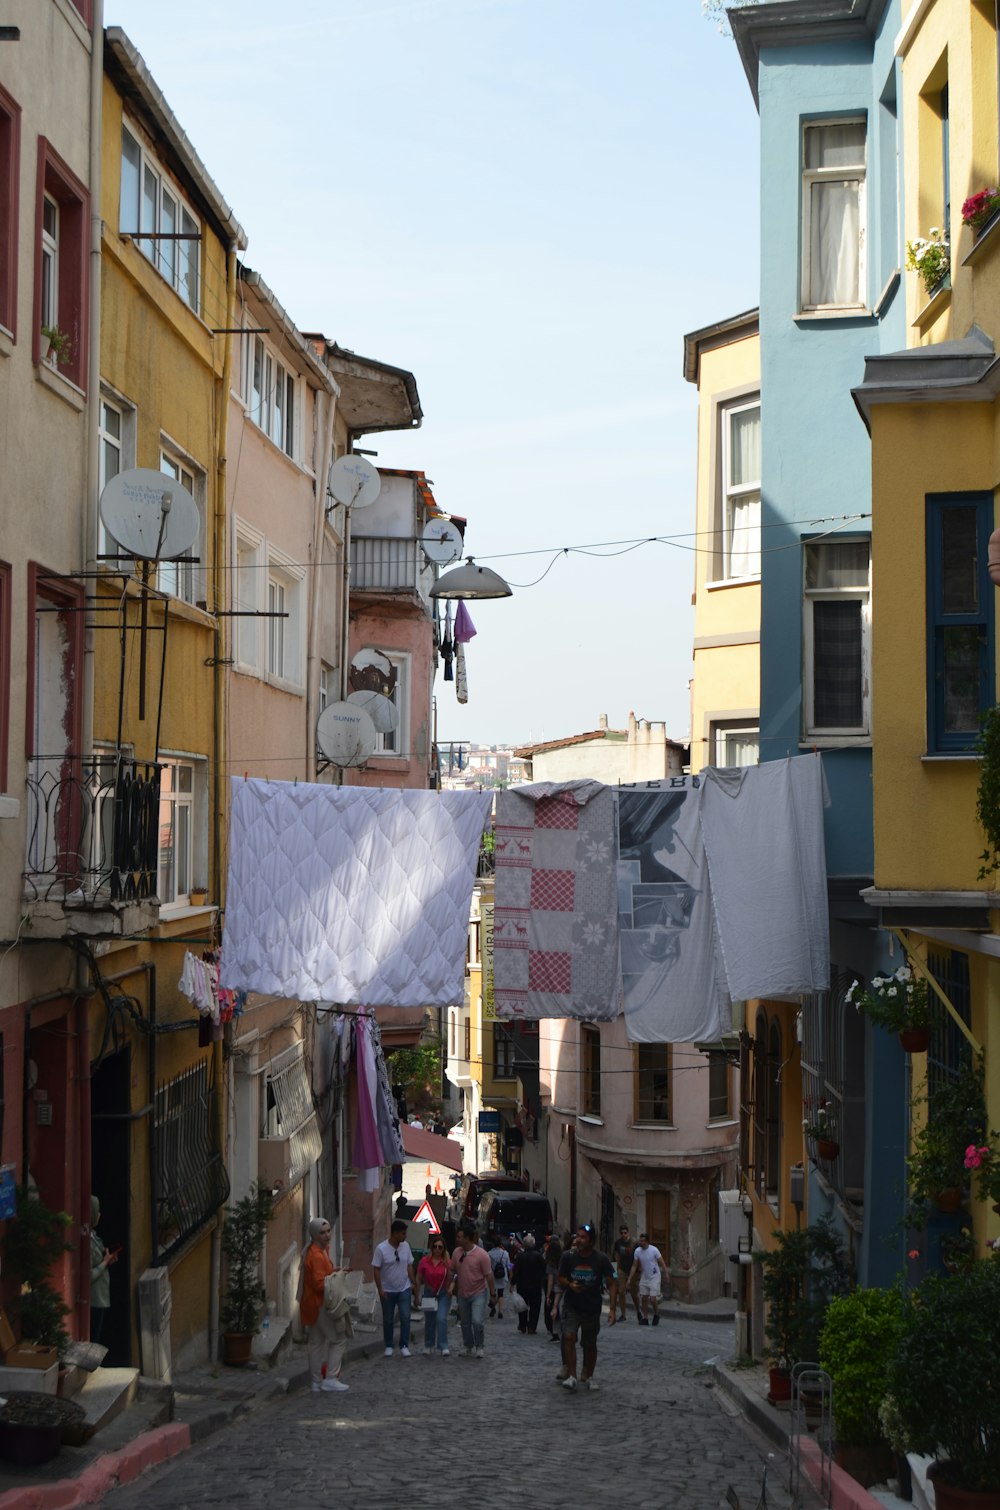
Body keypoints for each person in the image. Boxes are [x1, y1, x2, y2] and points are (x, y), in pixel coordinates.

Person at [557, 1221, 617, 1391]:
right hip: (572, 1304)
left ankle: (589, 1374)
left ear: (591, 1241)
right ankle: (572, 1376)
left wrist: (612, 1309)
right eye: (578, 1236)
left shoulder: (601, 1259)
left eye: (583, 1237)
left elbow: (613, 1283)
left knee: (589, 1343)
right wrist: (570, 1284)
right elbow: (560, 1277)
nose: (579, 1240)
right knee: (568, 1336)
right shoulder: (568, 1256)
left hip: (591, 1306)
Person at [299, 1216, 349, 1392]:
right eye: (322, 1232)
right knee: (338, 1339)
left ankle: (316, 1382)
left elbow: (320, 1277)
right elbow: (320, 1284)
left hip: (311, 1304)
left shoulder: (316, 1250)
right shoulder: (316, 1255)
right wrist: (337, 1276)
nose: (327, 1235)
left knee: (316, 1342)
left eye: (328, 1231)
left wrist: (334, 1271)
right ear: (314, 1234)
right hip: (320, 1304)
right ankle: (331, 1378)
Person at [449, 1223, 497, 1358]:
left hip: (478, 1293)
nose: (457, 1239)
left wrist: (493, 1294)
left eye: (460, 1237)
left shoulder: (482, 1255)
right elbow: (452, 1271)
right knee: (464, 1322)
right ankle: (467, 1345)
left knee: (477, 1321)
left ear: (468, 1239)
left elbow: (489, 1275)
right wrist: (449, 1285)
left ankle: (480, 1346)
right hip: (462, 1293)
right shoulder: (456, 1253)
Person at [372, 1218, 416, 1357]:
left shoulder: (406, 1246)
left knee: (405, 1316)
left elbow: (409, 1265)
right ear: (395, 1233)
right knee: (388, 1319)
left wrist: (413, 1282)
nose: (405, 1236)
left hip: (404, 1288)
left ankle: (404, 1344)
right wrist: (380, 1288)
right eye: (403, 1233)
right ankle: (389, 1344)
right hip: (388, 1290)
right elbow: (376, 1269)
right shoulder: (381, 1249)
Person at [415, 1235, 451, 1356]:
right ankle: (428, 1344)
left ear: (443, 1249)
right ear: (431, 1248)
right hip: (429, 1293)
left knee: (441, 1319)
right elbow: (419, 1278)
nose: (437, 1249)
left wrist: (450, 1288)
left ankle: (443, 1345)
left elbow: (452, 1277)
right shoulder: (424, 1261)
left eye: (440, 1247)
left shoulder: (447, 1263)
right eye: (435, 1247)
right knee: (429, 1320)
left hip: (443, 1293)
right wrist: (417, 1294)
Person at [89, 1195, 117, 1344]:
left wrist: (107, 1259)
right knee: (94, 1340)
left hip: (101, 1297)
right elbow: (88, 1275)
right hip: (95, 1299)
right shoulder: (86, 1240)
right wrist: (104, 1262)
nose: (100, 1214)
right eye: (97, 1211)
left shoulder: (93, 1235)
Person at [628, 1232, 669, 1325]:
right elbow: (634, 1265)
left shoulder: (654, 1250)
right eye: (640, 1240)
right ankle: (645, 1318)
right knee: (644, 1298)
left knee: (653, 1299)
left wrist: (666, 1274)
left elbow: (662, 1263)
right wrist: (629, 1278)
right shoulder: (637, 1251)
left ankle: (656, 1314)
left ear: (647, 1242)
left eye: (642, 1241)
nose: (640, 1242)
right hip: (645, 1276)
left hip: (654, 1276)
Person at [510, 1233, 546, 1335]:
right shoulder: (538, 1256)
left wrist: (512, 1283)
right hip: (535, 1285)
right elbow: (544, 1269)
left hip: (522, 1285)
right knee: (535, 1307)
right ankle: (532, 1327)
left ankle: (522, 1325)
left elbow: (516, 1271)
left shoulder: (520, 1256)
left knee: (522, 1306)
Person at [612, 1223, 639, 1321]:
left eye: (625, 1232)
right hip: (622, 1269)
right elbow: (617, 1256)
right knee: (621, 1292)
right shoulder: (618, 1243)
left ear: (628, 1232)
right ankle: (623, 1314)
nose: (624, 1234)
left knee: (634, 1293)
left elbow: (638, 1257)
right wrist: (617, 1270)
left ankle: (638, 1311)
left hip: (632, 1270)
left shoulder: (634, 1243)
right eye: (622, 1233)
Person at [543, 1235, 563, 1341]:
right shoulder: (564, 1259)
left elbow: (550, 1280)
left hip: (555, 1288)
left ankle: (555, 1331)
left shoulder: (550, 1263)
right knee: (561, 1309)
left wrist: (547, 1295)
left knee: (554, 1310)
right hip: (564, 1287)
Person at [486, 1233, 510, 1318]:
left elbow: (487, 1266)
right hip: (502, 1276)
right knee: (501, 1294)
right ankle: (500, 1312)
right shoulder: (505, 1253)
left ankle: (492, 1307)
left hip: (492, 1276)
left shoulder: (488, 1254)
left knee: (492, 1292)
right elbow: (509, 1265)